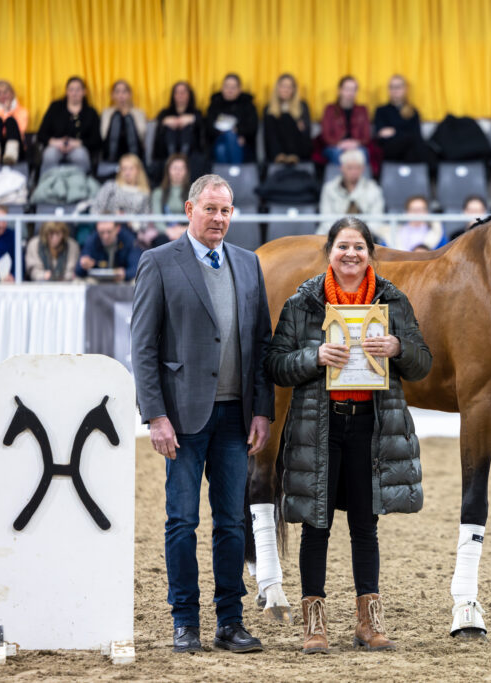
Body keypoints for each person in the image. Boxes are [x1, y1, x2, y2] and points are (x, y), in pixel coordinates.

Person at [263, 216, 431, 654]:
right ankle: (313, 627)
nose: (351, 255)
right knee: (315, 525)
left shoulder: (392, 299)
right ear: (330, 252)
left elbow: (423, 362)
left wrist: (398, 348)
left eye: (359, 247)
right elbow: (276, 363)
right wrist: (314, 356)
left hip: (371, 425)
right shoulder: (303, 302)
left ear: (370, 252)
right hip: (320, 423)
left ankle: (368, 624)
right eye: (342, 247)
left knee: (365, 525)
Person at [131, 174, 274, 654]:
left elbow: (261, 346)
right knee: (181, 521)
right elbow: (143, 347)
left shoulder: (249, 264)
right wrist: (154, 415)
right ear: (190, 208)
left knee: (232, 522)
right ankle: (184, 622)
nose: (218, 219)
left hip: (237, 417)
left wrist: (262, 411)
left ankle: (229, 623)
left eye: (226, 211)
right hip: (181, 419)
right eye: (210, 209)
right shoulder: (158, 262)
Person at [37, 76, 101, 173]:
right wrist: (55, 142)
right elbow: (41, 134)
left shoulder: (91, 112)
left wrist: (78, 143)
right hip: (56, 146)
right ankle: (47, 184)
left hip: (79, 148)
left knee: (80, 155)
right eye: (71, 90)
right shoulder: (55, 107)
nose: (74, 93)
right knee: (50, 154)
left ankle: (81, 185)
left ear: (84, 92)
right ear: (66, 92)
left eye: (78, 90)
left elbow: (96, 140)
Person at [318, 149, 384, 229]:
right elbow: (326, 220)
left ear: (363, 169)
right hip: (333, 233)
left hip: (366, 235)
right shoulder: (329, 188)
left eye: (357, 168)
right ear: (341, 168)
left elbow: (376, 220)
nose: (354, 172)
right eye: (350, 168)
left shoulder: (374, 189)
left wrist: (360, 235)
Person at [374, 75, 433, 165]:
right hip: (390, 148)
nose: (395, 90)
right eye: (392, 87)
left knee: (415, 148)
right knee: (413, 143)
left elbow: (417, 134)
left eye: (398, 87)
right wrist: (403, 133)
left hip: (410, 149)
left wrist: (394, 131)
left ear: (405, 89)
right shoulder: (381, 110)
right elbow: (381, 133)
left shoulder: (413, 111)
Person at [206, 73, 258, 164]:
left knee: (221, 150)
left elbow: (252, 127)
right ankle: (235, 172)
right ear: (222, 88)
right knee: (227, 137)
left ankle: (225, 176)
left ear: (239, 89)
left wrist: (239, 133)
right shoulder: (215, 104)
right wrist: (226, 133)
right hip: (218, 140)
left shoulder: (247, 105)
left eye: (233, 87)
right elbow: (209, 127)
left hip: (242, 144)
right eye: (227, 87)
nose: (230, 90)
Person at [319, 76, 371, 165]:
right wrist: (340, 144)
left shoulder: (362, 110)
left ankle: (360, 179)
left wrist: (356, 143)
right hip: (335, 146)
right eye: (347, 89)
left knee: (362, 153)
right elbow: (326, 135)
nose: (350, 93)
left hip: (356, 146)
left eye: (353, 89)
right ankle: (341, 178)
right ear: (339, 91)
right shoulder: (330, 109)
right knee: (338, 154)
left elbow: (366, 136)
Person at [263, 74, 312, 163]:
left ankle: (292, 155)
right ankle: (278, 155)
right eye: (283, 86)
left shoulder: (302, 106)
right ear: (277, 88)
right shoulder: (268, 108)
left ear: (294, 90)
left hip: (298, 148)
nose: (286, 90)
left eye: (289, 87)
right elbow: (268, 135)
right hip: (275, 150)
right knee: (272, 117)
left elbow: (307, 132)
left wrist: (301, 126)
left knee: (287, 117)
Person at [153, 82, 205, 163]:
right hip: (166, 153)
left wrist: (193, 119)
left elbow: (203, 128)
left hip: (191, 155)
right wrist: (164, 121)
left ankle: (183, 159)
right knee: (169, 129)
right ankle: (172, 160)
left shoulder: (196, 113)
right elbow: (158, 130)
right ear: (173, 95)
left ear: (189, 95)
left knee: (187, 128)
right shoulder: (165, 113)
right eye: (177, 92)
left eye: (183, 92)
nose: (180, 95)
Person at [75, 220, 141, 282]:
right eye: (101, 232)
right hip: (98, 281)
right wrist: (83, 265)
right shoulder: (92, 240)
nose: (105, 236)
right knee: (79, 282)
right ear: (97, 229)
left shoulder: (128, 240)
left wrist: (125, 273)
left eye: (109, 232)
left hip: (122, 281)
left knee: (134, 282)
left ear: (117, 229)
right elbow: (78, 270)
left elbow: (137, 268)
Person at [100, 80, 147, 163]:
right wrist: (116, 115)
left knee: (128, 119)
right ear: (112, 95)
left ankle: (134, 163)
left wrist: (128, 116)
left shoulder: (139, 113)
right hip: (112, 152)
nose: (121, 95)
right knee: (116, 118)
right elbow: (104, 135)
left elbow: (141, 134)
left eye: (124, 92)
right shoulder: (106, 113)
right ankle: (112, 162)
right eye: (117, 92)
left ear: (130, 95)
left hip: (134, 151)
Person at [0, 80, 28, 165]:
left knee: (11, 121)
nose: (2, 95)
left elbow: (20, 132)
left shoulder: (22, 112)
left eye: (5, 92)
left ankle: (10, 155)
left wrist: (6, 112)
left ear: (12, 93)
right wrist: (3, 113)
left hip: (16, 147)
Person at [380, 195, 444, 251]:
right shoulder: (392, 235)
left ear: (427, 212)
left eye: (420, 209)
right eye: (413, 210)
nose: (417, 213)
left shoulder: (438, 235)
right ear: (406, 212)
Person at [151, 154, 191, 241]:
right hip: (165, 234)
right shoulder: (158, 193)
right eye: (175, 168)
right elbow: (157, 220)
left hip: (188, 233)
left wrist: (182, 230)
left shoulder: (194, 193)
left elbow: (197, 220)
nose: (178, 172)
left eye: (181, 168)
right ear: (168, 171)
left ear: (186, 171)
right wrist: (169, 231)